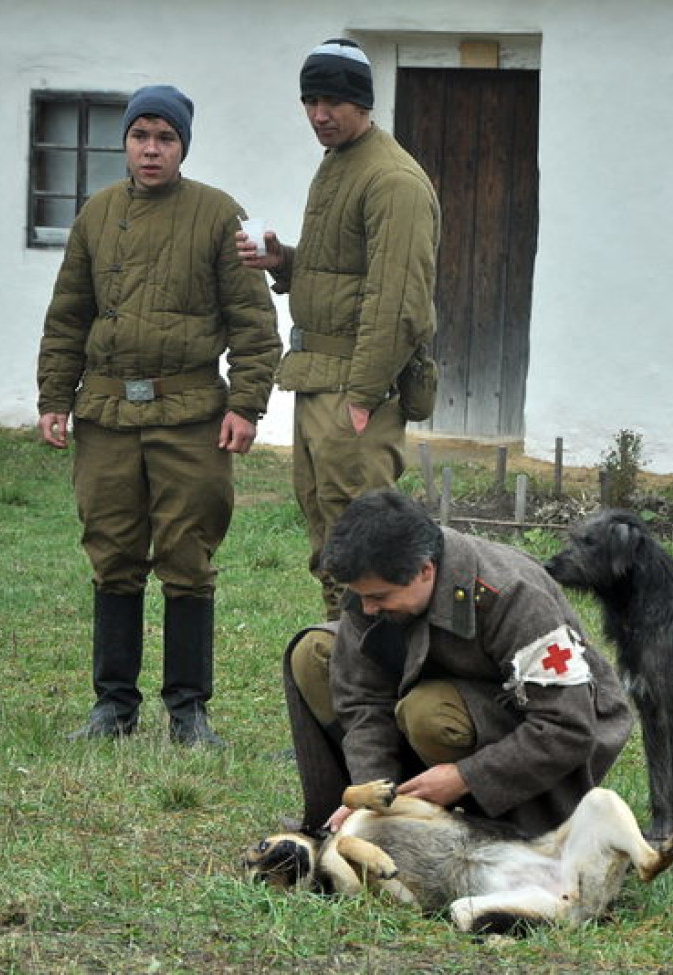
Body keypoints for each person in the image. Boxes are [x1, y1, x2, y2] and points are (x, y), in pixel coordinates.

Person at [37, 84, 281, 747]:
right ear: (125, 142)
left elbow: (255, 325)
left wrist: (245, 405)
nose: (151, 149)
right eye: (141, 135)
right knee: (112, 553)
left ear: (182, 147)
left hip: (191, 416)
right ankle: (112, 706)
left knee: (187, 555)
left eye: (165, 138)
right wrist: (55, 396)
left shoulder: (216, 215)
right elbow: (68, 317)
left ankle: (188, 712)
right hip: (107, 413)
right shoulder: (97, 215)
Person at [282, 488, 634, 837]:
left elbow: (568, 728)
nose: (368, 608)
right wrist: (374, 794)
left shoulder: (515, 596)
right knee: (314, 653)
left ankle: (478, 822)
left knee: (429, 713)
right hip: (450, 703)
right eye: (363, 597)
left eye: (379, 597)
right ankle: (404, 809)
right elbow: (363, 698)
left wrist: (467, 777)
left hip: (547, 730)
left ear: (424, 569)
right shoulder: (375, 583)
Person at [237, 38, 441, 620]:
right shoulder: (340, 165)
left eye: (331, 101)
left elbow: (397, 301)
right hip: (319, 379)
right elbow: (347, 275)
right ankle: (344, 660)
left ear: (362, 102)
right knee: (330, 536)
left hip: (353, 387)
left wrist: (362, 397)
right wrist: (286, 263)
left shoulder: (391, 180)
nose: (319, 114)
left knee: (366, 541)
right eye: (310, 101)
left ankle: (377, 676)